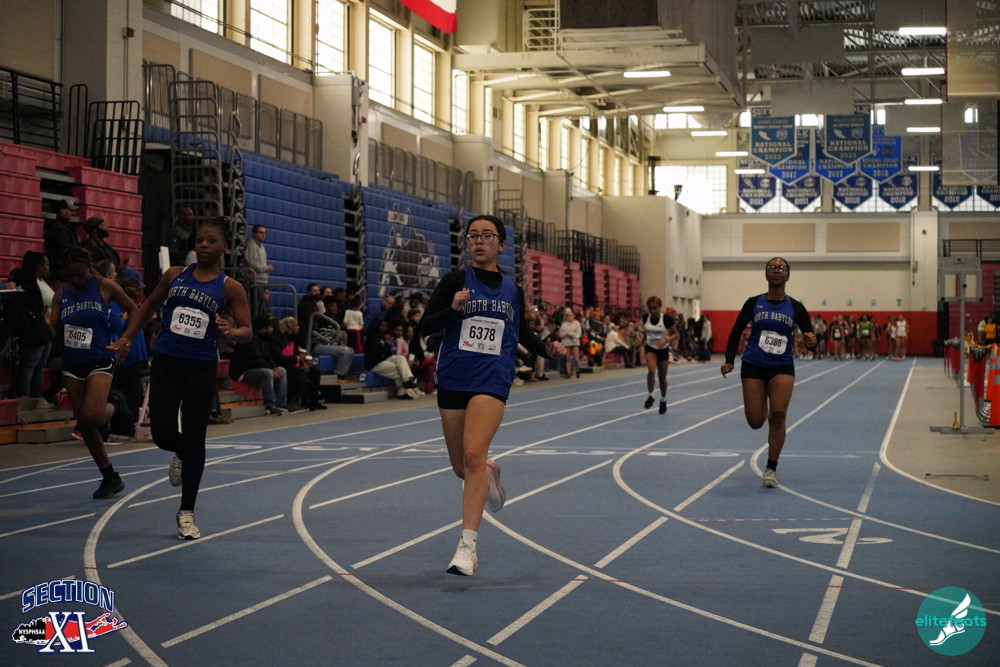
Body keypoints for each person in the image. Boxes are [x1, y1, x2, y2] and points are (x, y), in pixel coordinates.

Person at [419, 214, 565, 576]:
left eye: (487, 236)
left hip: (492, 378)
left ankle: (467, 547)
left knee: (473, 454)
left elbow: (521, 334)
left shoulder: (512, 290)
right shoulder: (454, 282)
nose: (479, 241)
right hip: (454, 376)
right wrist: (451, 309)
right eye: (473, 236)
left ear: (501, 244)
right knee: (463, 468)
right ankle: (489, 472)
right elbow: (424, 326)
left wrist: (547, 349)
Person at [112, 218, 252, 540]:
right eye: (200, 240)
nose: (204, 245)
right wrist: (127, 337)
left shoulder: (230, 287)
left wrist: (233, 331)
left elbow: (247, 330)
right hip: (167, 361)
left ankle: (186, 512)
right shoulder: (174, 275)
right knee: (162, 433)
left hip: (201, 367)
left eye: (211, 241)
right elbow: (147, 306)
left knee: (195, 437)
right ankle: (181, 452)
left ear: (224, 246)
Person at [720, 257, 816, 488]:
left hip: (782, 366)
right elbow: (736, 330)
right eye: (772, 268)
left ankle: (771, 469)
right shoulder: (753, 302)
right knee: (755, 421)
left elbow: (811, 339)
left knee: (779, 415)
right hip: (753, 364)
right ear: (766, 274)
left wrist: (812, 341)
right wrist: (729, 360)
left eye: (781, 268)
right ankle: (761, 406)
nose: (776, 271)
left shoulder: (796, 307)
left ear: (788, 275)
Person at [51, 248, 136, 499]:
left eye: (79, 274)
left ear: (88, 267)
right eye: (70, 276)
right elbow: (53, 328)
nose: (75, 280)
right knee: (86, 424)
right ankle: (109, 476)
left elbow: (135, 309)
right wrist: (42, 323)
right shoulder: (61, 294)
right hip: (72, 362)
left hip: (100, 357)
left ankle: (115, 404)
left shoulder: (104, 286)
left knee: (92, 416)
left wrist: (125, 339)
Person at [9, 252, 55, 408]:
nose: (48, 267)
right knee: (29, 363)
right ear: (38, 266)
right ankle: (23, 396)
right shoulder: (26, 283)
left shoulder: (40, 281)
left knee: (39, 364)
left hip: (43, 328)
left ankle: (36, 396)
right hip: (32, 329)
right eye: (46, 264)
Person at [231, 315, 290, 415]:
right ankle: (270, 406)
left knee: (281, 370)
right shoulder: (250, 340)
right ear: (263, 329)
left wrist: (274, 368)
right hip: (242, 372)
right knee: (267, 373)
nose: (272, 329)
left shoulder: (264, 339)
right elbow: (255, 359)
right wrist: (271, 370)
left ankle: (281, 404)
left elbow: (267, 357)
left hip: (256, 369)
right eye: (270, 327)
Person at [642, 296, 679, 414]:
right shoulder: (645, 318)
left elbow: (676, 334)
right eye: (650, 308)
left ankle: (663, 400)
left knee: (662, 378)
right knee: (651, 371)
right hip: (650, 348)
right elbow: (646, 331)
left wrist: (666, 340)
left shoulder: (667, 319)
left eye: (655, 308)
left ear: (659, 307)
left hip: (663, 349)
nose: (652, 311)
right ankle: (651, 395)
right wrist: (642, 341)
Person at [43, 200, 78, 282]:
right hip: (62, 269)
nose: (73, 213)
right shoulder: (60, 228)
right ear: (62, 211)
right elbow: (64, 250)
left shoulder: (62, 227)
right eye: (70, 210)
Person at [244, 224, 274, 314]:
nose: (263, 235)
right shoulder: (252, 245)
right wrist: (266, 268)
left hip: (262, 281)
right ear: (254, 233)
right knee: (255, 308)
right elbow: (252, 263)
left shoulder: (262, 247)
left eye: (264, 233)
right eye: (261, 233)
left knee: (261, 307)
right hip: (255, 281)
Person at [558, 309, 582, 378]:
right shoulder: (564, 324)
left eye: (571, 315)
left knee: (576, 358)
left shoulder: (577, 323)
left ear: (573, 316)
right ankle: (568, 373)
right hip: (566, 343)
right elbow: (561, 334)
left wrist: (570, 334)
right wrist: (569, 333)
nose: (570, 317)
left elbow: (578, 334)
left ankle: (578, 370)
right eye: (568, 316)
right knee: (567, 358)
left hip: (574, 342)